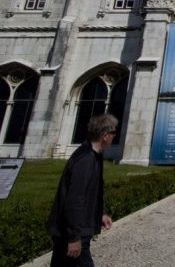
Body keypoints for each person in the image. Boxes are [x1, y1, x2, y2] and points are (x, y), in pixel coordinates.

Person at [47, 114, 117, 267]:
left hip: (73, 230)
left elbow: (92, 193)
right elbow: (74, 199)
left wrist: (101, 213)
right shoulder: (86, 159)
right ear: (105, 135)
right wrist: (74, 238)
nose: (114, 136)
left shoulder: (94, 155)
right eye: (113, 133)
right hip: (72, 233)